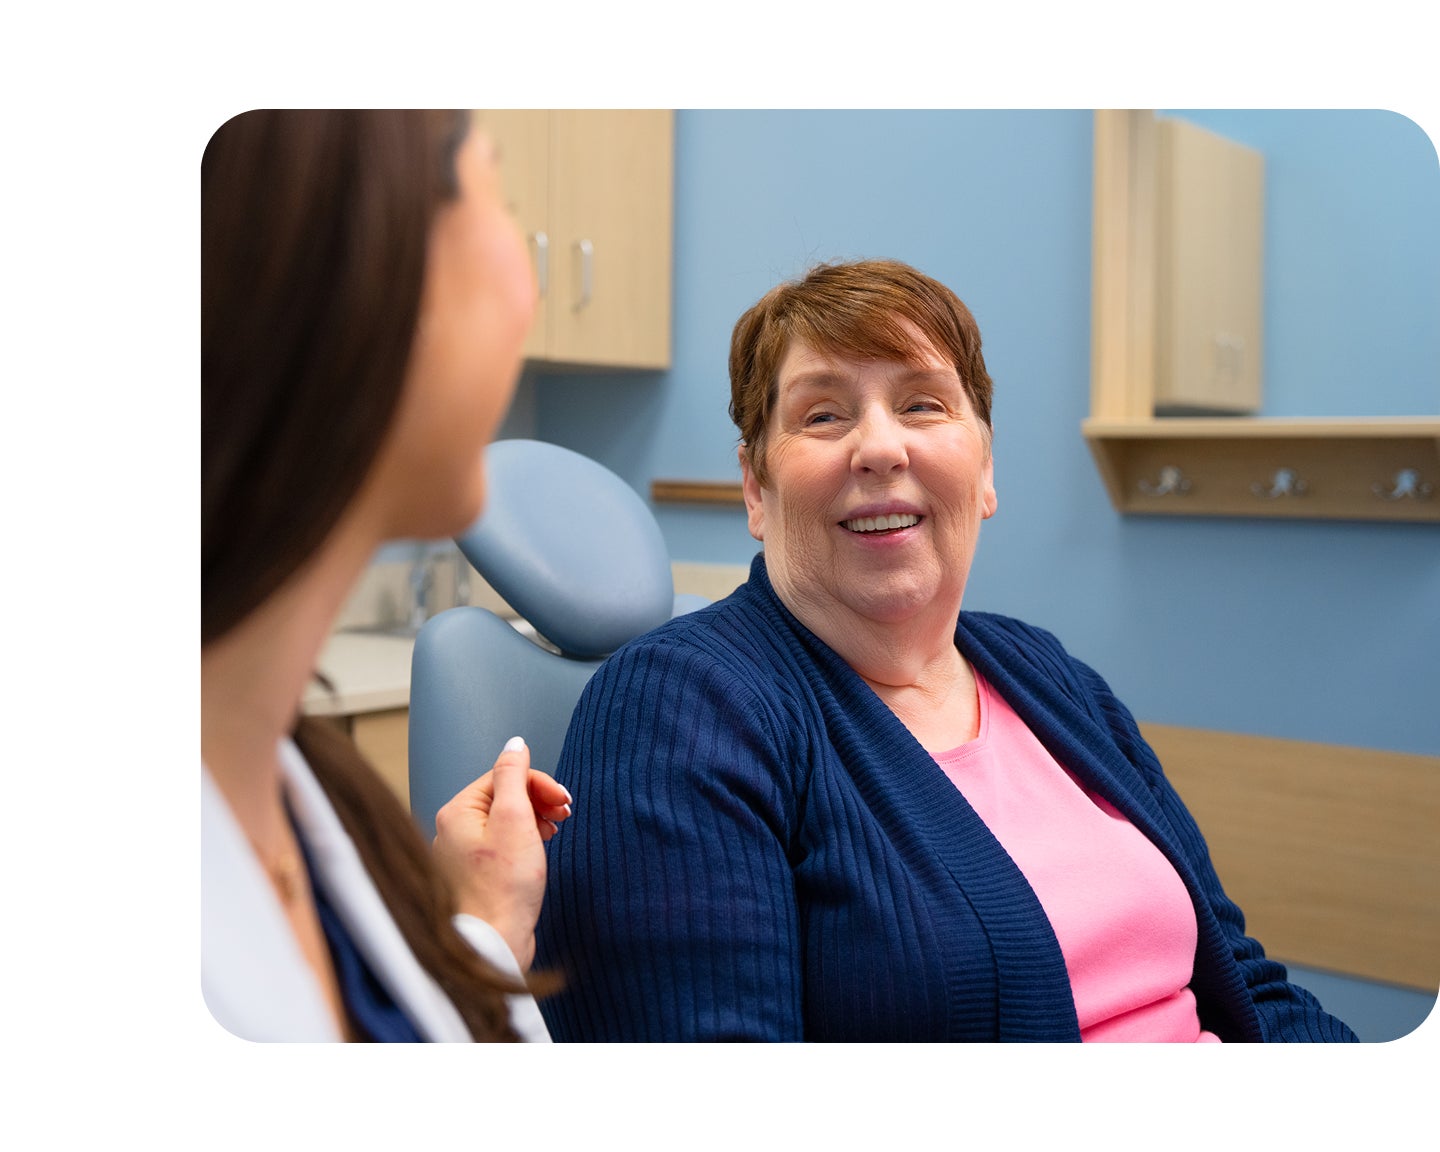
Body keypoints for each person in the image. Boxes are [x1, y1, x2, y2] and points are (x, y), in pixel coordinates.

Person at [534, 258, 1358, 1042]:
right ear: (757, 487)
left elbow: (1244, 983)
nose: (883, 448)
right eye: (823, 415)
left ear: (986, 469)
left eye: (924, 405)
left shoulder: (1051, 678)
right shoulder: (679, 708)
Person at [202, 109, 571, 1041]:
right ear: (366, 267)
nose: (529, 284)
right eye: (502, 197)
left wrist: (483, 929)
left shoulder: (304, 786)